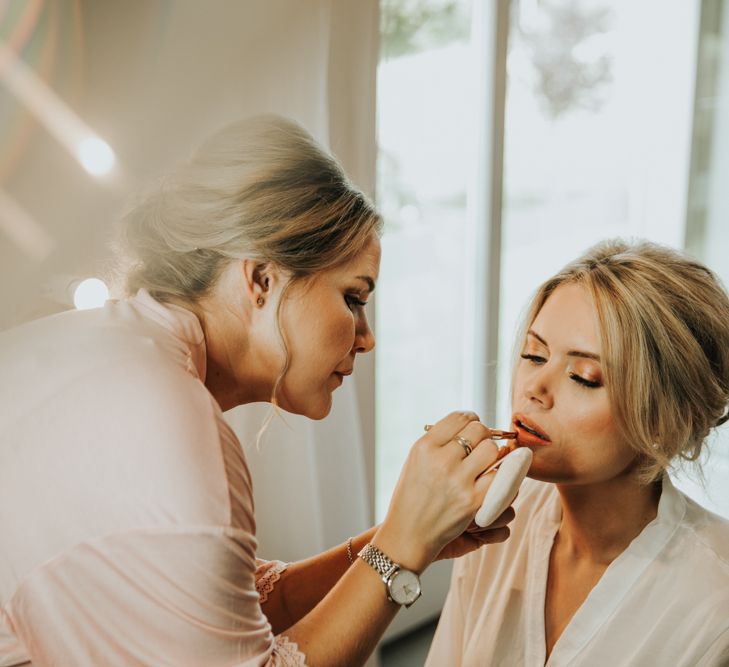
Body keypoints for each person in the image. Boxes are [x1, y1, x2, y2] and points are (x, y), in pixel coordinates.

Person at [0, 116, 514, 667]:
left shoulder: (110, 349)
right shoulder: (168, 427)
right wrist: (400, 553)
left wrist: (409, 532)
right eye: (354, 298)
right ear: (262, 280)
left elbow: (244, 608)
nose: (367, 339)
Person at [426, 239, 729, 667]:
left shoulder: (716, 607)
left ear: (664, 421)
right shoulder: (491, 527)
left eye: (584, 377)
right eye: (534, 354)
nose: (534, 388)